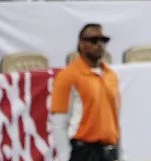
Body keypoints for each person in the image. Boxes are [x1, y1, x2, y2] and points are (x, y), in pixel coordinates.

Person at [50, 23, 122, 161]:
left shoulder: (111, 76)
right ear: (81, 44)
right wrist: (64, 156)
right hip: (83, 151)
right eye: (93, 40)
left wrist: (120, 153)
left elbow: (116, 118)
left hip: (109, 151)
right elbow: (59, 122)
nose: (99, 44)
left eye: (103, 40)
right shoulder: (68, 76)